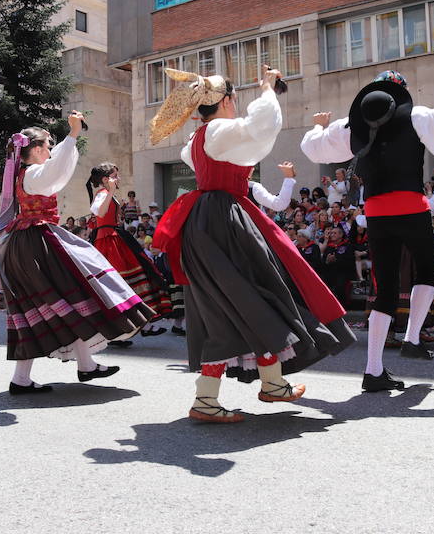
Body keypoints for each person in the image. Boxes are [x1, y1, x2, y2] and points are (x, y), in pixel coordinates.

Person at [150, 63, 355, 423]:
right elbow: (260, 126)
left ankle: (267, 383)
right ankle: (218, 396)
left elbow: (234, 143)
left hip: (210, 220)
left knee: (246, 299)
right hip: (223, 221)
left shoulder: (199, 138)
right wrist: (266, 89)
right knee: (253, 296)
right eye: (233, 98)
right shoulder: (217, 131)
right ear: (227, 100)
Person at [301, 70, 434, 391]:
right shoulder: (417, 115)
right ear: (400, 94)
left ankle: (373, 370)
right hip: (410, 206)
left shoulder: (353, 125)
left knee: (386, 288)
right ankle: (412, 337)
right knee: (426, 271)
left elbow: (314, 148)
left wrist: (319, 125)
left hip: (376, 212)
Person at [0, 112, 154, 394]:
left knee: (55, 305)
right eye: (48, 147)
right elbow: (58, 170)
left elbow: (55, 169)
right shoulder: (33, 173)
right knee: (72, 297)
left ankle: (39, 375)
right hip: (37, 243)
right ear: (37, 150)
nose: (50, 151)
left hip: (27, 243)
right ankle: (80, 366)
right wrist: (72, 134)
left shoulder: (22, 175)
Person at [88, 162, 171, 337]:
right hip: (107, 242)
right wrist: (110, 191)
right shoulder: (102, 194)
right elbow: (100, 213)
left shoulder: (108, 194)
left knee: (131, 281)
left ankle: (142, 325)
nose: (118, 179)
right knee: (120, 283)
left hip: (115, 238)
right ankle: (123, 329)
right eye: (115, 175)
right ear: (106, 179)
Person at [322, 225, 356, 303]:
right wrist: (327, 261)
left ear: (341, 235)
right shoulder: (329, 247)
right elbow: (323, 263)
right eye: (331, 233)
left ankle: (342, 305)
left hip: (343, 272)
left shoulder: (348, 246)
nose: (332, 235)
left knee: (340, 285)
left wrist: (336, 260)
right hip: (330, 272)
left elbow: (350, 262)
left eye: (334, 233)